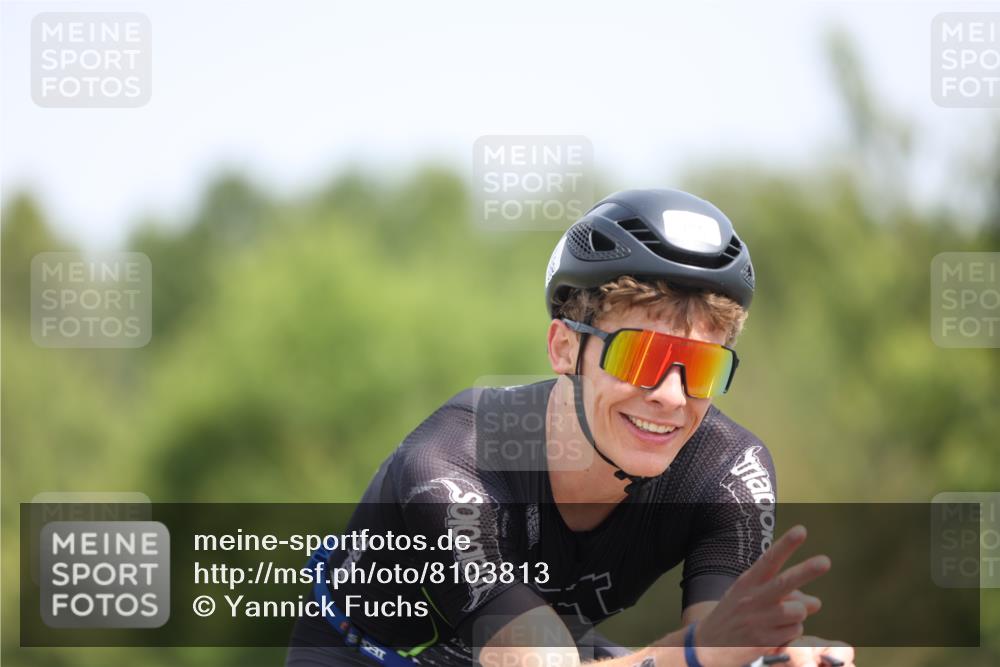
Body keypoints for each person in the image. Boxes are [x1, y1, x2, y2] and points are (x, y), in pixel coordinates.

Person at [286, 189, 856, 667]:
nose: (670, 396)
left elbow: (721, 646)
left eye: (702, 367)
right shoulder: (454, 461)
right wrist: (704, 654)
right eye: (640, 357)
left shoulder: (729, 473)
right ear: (564, 348)